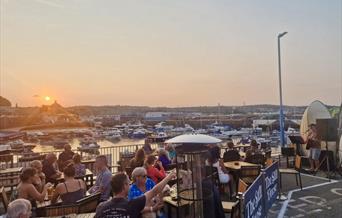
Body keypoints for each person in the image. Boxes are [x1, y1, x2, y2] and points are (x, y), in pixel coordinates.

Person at [95, 170, 176, 218]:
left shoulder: (100, 207)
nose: (130, 185)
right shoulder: (133, 204)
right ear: (124, 187)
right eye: (128, 183)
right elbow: (154, 191)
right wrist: (169, 177)